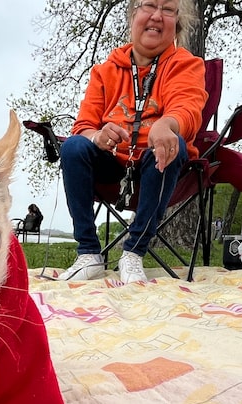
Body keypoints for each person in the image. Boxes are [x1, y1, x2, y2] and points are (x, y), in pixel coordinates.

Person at [58, 0, 207, 283]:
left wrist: (166, 124)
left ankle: (134, 253)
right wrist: (97, 136)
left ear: (177, 23)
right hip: (112, 163)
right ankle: (88, 254)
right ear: (133, 14)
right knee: (74, 146)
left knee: (171, 144)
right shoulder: (104, 71)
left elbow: (187, 108)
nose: (156, 16)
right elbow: (83, 126)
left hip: (157, 162)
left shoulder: (186, 65)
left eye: (168, 9)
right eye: (149, 5)